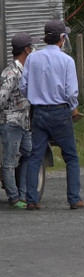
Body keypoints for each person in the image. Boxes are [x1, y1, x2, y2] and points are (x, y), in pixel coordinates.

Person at [20, 20, 84, 210]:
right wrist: (73, 107)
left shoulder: (32, 58)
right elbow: (71, 91)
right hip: (60, 112)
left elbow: (23, 86)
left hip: (38, 112)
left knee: (35, 156)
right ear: (62, 39)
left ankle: (32, 199)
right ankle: (74, 199)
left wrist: (34, 97)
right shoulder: (67, 61)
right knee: (71, 157)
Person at [0, 33, 38, 209]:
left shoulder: (25, 70)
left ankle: (22, 194)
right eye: (31, 47)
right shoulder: (11, 72)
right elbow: (1, 98)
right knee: (9, 162)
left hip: (24, 123)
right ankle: (14, 198)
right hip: (11, 122)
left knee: (30, 155)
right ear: (26, 50)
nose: (33, 50)